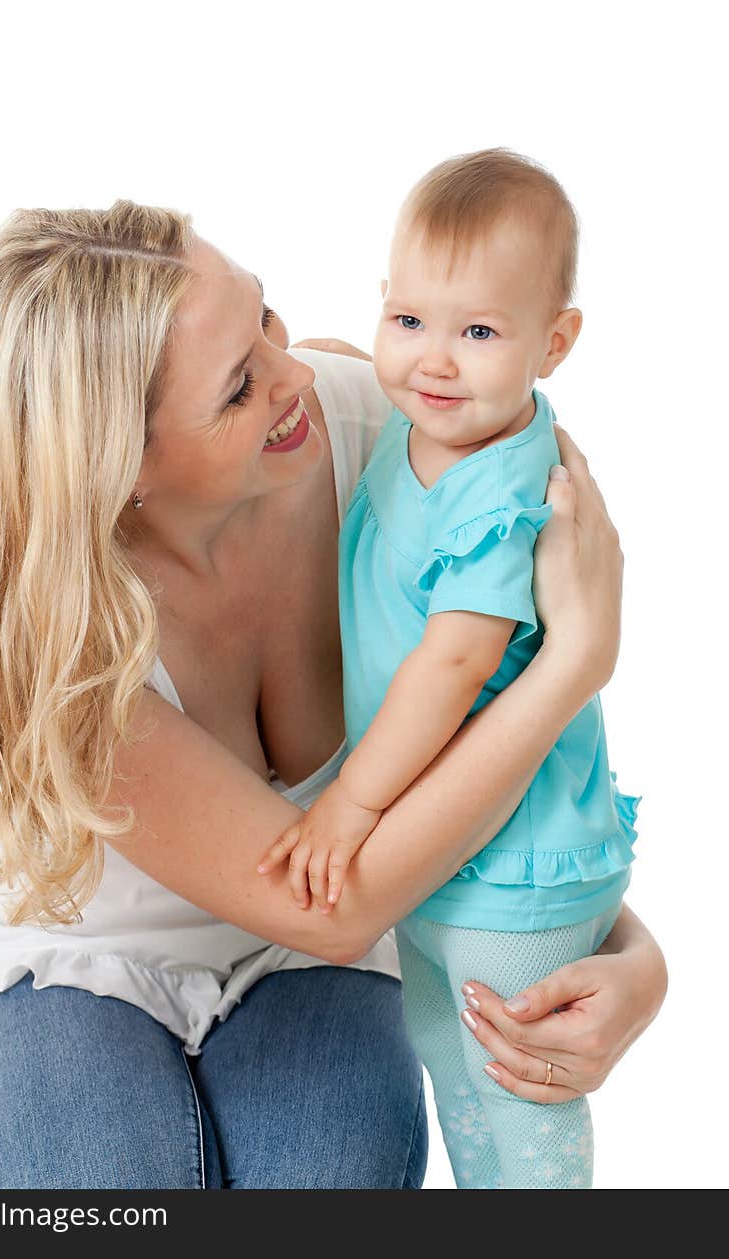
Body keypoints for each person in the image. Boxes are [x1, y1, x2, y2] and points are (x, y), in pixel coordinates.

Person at [0, 201, 666, 1191]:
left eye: (265, 319)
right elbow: (328, 901)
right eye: (239, 387)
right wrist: (576, 661)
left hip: (313, 956)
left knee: (333, 1181)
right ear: (118, 468)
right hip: (73, 957)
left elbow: (517, 733)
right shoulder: (45, 635)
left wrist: (629, 950)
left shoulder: (390, 432)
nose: (298, 379)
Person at [257, 149, 641, 1190]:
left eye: (478, 332)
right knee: (446, 1059)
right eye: (411, 321)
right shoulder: (422, 423)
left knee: (520, 1089)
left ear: (554, 342)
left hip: (514, 864)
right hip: (441, 854)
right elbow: (339, 367)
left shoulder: (502, 489)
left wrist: (347, 805)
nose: (433, 360)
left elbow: (455, 660)